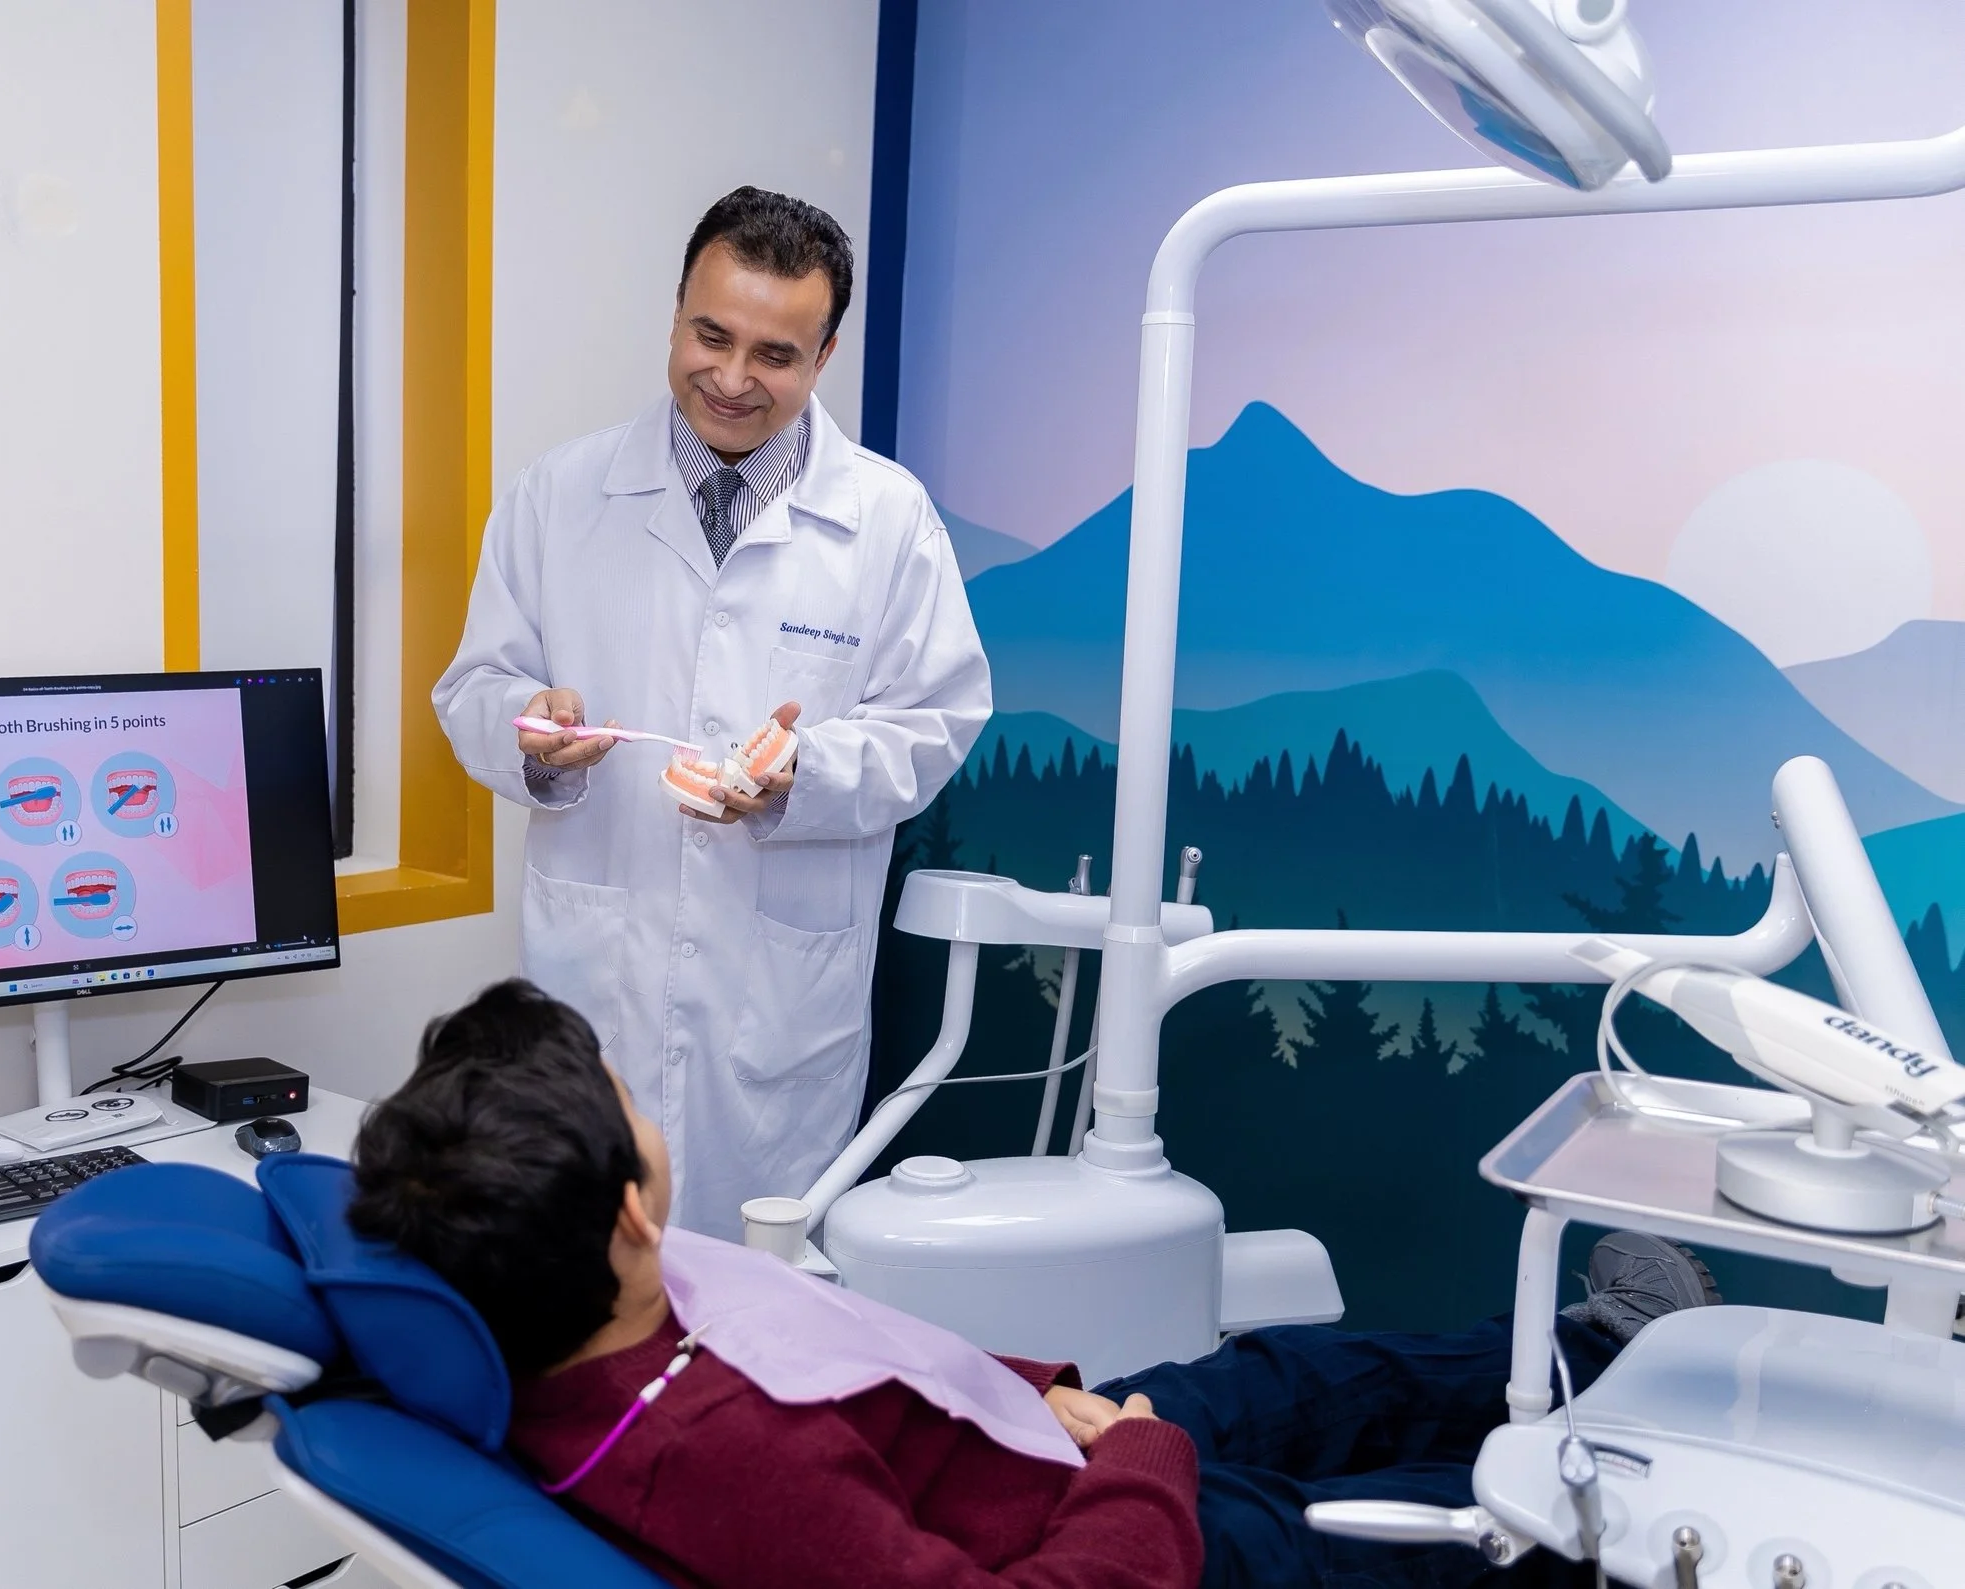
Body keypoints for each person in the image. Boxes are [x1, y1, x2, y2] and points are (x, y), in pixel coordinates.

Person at [350, 981, 1721, 1589]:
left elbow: (850, 1360)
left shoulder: (580, 1302)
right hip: (1131, 1545)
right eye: (630, 1100)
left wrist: (1042, 1395)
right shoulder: (727, 1467)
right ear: (631, 1213)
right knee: (1443, 1525)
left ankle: (1598, 1344)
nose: (648, 1111)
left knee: (1283, 1376)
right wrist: (1139, 1466)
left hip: (1035, 1452)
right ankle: (1679, 1493)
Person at [432, 187, 991, 1237]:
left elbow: (935, 722)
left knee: (762, 1288)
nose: (732, 378)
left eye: (775, 355)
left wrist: (803, 774)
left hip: (778, 1012)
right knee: (586, 1272)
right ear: (676, 316)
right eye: (712, 336)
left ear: (823, 357)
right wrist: (534, 734)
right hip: (600, 978)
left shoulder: (887, 519)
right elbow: (473, 687)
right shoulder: (561, 494)